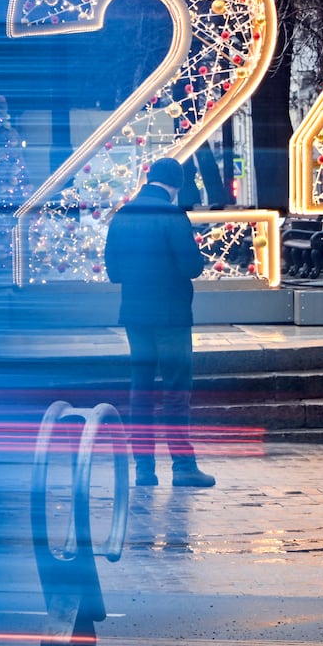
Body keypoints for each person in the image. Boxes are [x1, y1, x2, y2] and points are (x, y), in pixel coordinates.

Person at [103, 156, 215, 488]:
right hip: (171, 317)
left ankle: (144, 469)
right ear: (175, 185)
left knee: (141, 390)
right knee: (176, 390)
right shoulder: (172, 216)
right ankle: (183, 466)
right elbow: (191, 267)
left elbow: (114, 273)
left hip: (135, 315)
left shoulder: (122, 215)